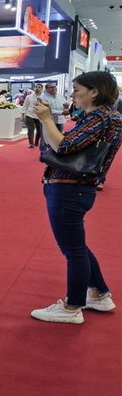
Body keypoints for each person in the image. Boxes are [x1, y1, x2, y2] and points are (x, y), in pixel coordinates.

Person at [30, 71, 122, 324]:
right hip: (76, 187)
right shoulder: (106, 117)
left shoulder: (101, 117)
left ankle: (72, 306)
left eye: (77, 90)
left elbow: (63, 147)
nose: (73, 95)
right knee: (76, 245)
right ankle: (98, 293)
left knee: (73, 250)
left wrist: (46, 119)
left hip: (70, 187)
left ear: (94, 91)